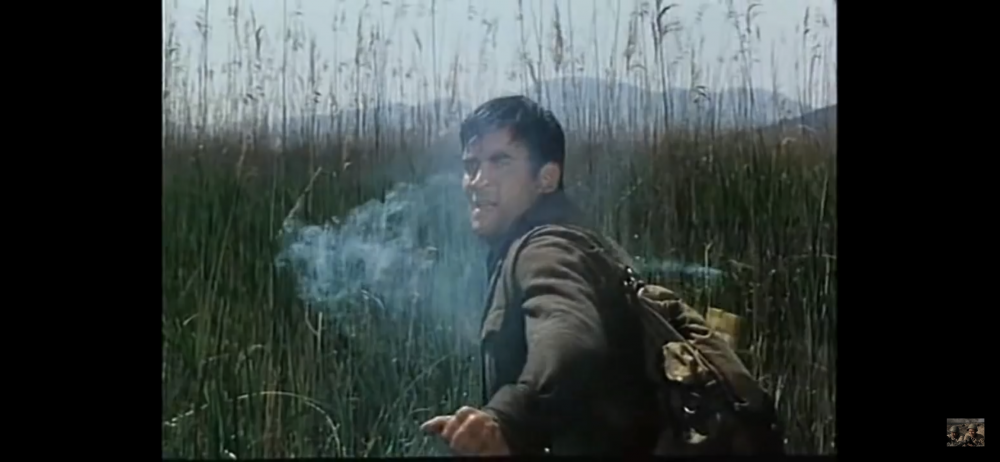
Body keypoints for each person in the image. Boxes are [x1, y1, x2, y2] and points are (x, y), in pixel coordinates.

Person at [420, 95, 660, 455]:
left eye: (501, 161)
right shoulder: (567, 235)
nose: (478, 181)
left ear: (546, 178)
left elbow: (570, 338)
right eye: (471, 165)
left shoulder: (547, 247)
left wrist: (508, 421)